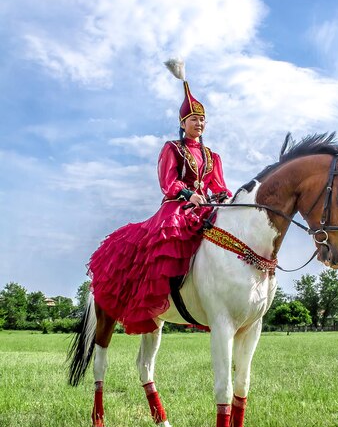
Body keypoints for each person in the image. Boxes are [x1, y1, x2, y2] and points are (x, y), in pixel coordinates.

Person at [88, 61, 232, 335]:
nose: (199, 123)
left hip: (205, 208)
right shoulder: (173, 149)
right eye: (193, 119)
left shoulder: (214, 156)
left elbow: (219, 185)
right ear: (183, 123)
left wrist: (223, 195)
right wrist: (191, 194)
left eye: (202, 119)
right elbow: (168, 183)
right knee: (170, 237)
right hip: (177, 207)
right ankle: (161, 290)